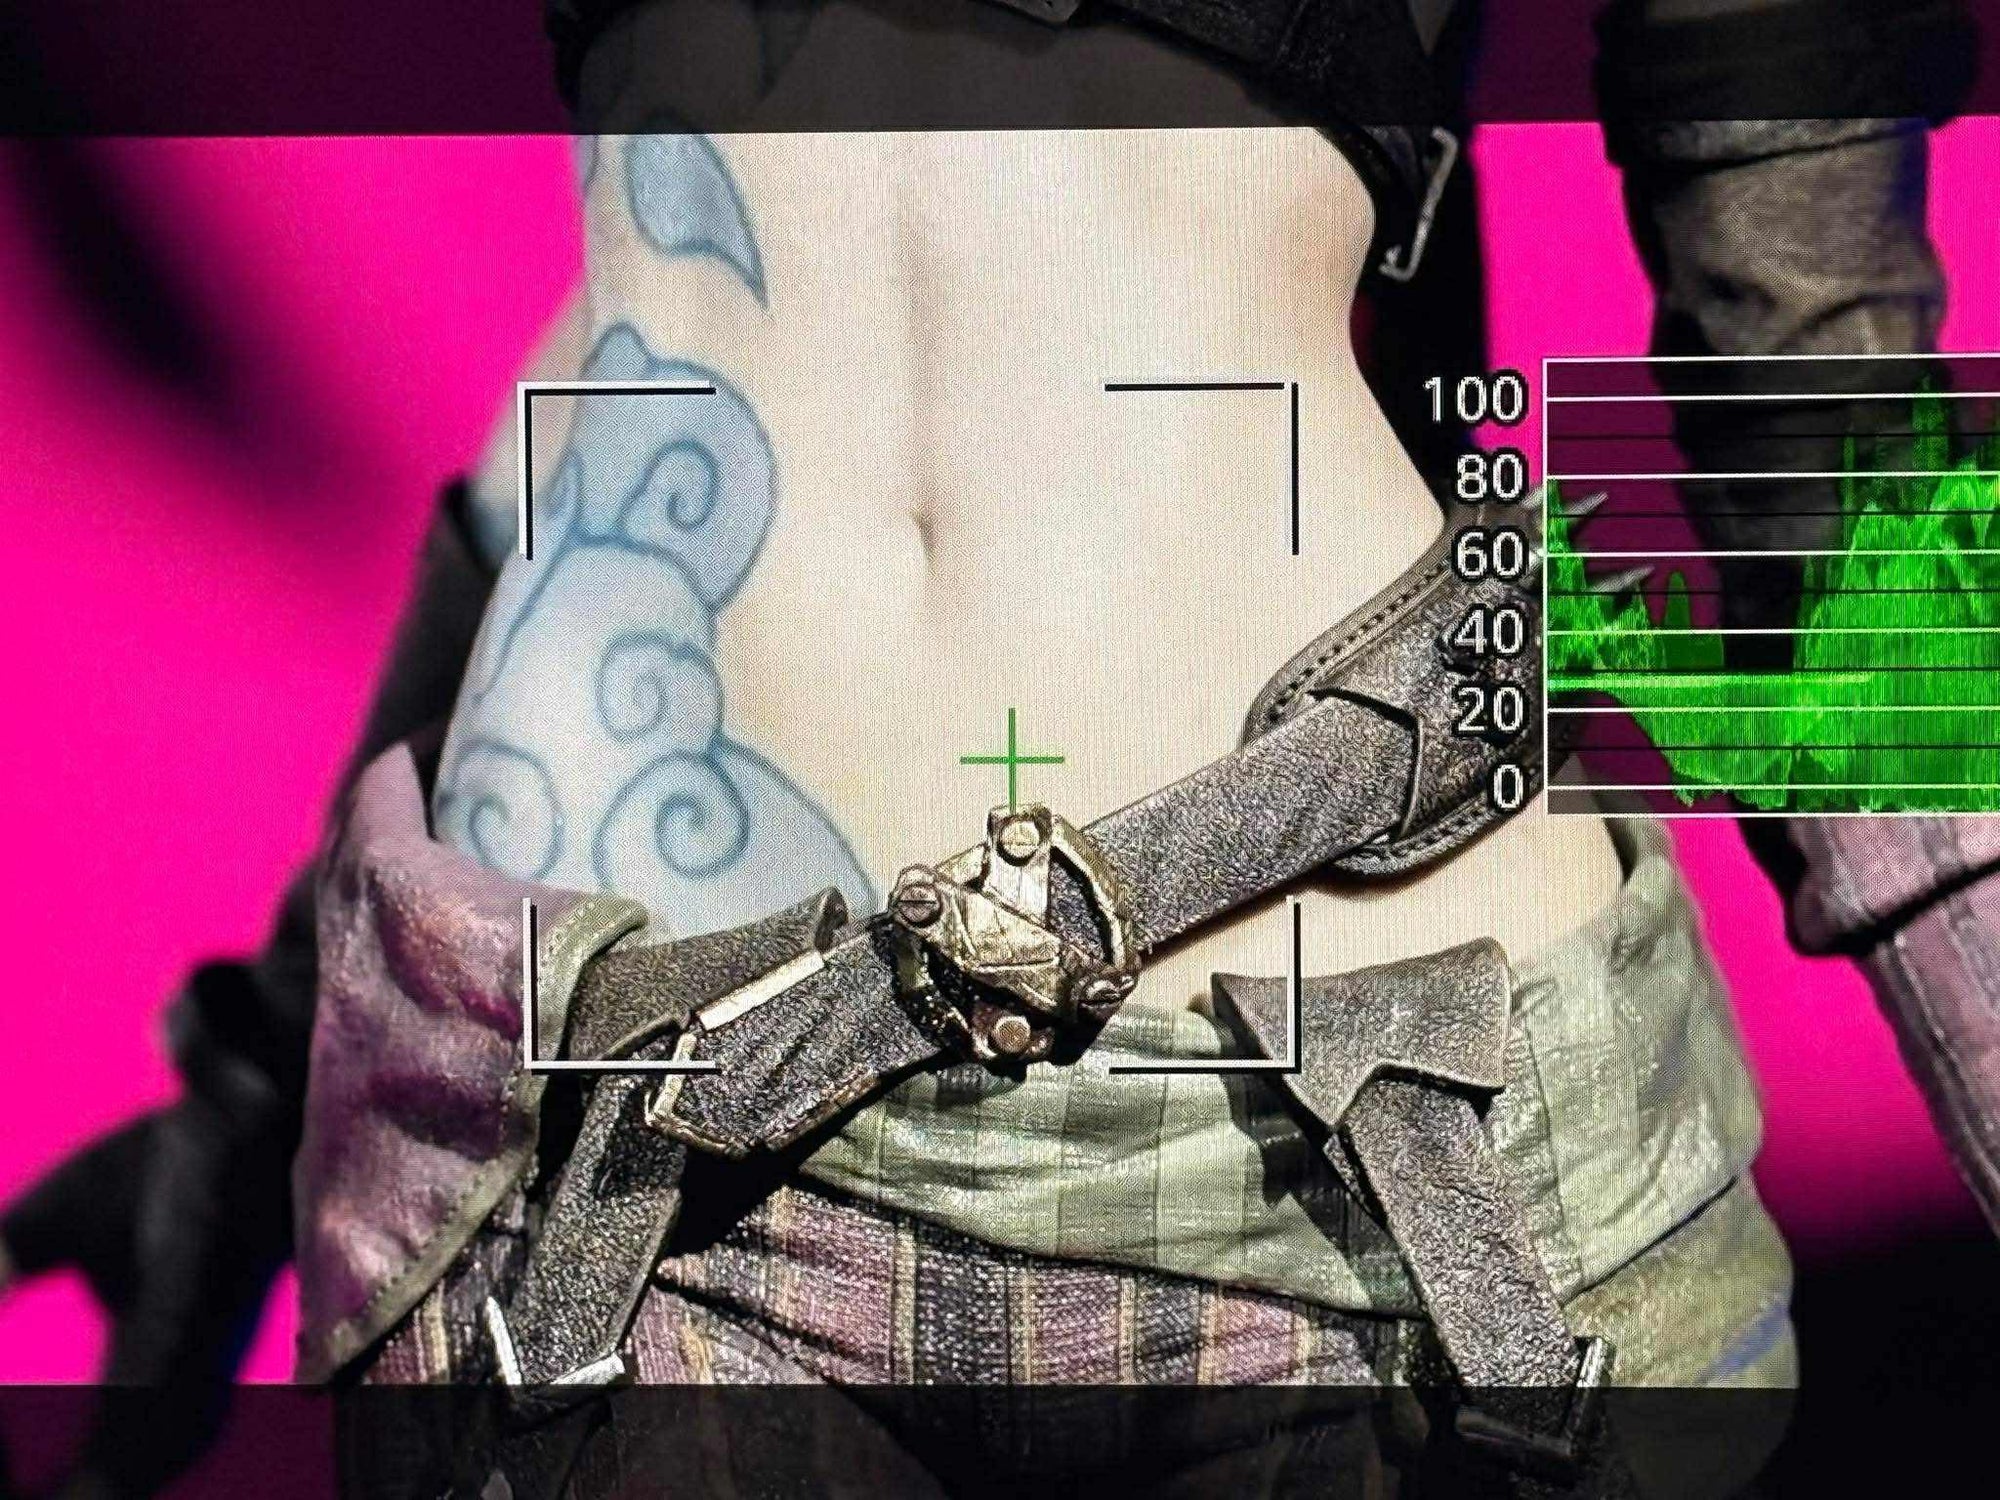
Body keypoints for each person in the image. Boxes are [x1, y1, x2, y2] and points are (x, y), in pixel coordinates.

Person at [0, 2, 1984, 1496]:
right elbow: (677, 306)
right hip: (613, 1168)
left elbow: (1816, 379)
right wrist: (258, 1067)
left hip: (1360, 1170)